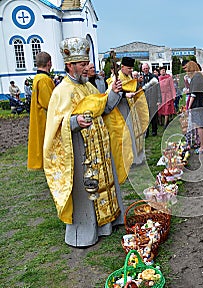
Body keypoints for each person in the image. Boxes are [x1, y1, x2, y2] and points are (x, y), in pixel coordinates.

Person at [43, 37, 126, 248]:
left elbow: (104, 108)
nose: (86, 68)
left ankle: (107, 224)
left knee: (105, 184)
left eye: (86, 64)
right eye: (81, 65)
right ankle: (86, 231)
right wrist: (73, 122)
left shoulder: (88, 87)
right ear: (70, 65)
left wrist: (113, 93)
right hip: (80, 150)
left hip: (100, 147)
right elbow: (54, 125)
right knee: (86, 190)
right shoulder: (61, 91)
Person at [107, 56, 149, 165]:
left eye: (131, 68)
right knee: (127, 134)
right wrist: (125, 95)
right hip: (121, 109)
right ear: (122, 67)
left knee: (134, 133)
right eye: (129, 68)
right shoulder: (116, 77)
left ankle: (136, 157)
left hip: (131, 108)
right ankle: (129, 160)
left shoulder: (129, 77)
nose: (131, 70)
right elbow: (110, 93)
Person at [27, 51, 55, 170]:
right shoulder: (44, 79)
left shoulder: (37, 78)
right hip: (44, 118)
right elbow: (50, 103)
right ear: (49, 63)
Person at [186, 61, 203, 153]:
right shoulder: (200, 77)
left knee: (199, 126)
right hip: (202, 103)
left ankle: (202, 146)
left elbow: (193, 94)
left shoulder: (196, 78)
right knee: (202, 125)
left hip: (197, 105)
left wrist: (189, 107)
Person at [140, 63, 161, 136]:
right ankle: (146, 132)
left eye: (146, 68)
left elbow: (158, 89)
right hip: (144, 100)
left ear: (149, 68)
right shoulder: (140, 78)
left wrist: (159, 100)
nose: (145, 70)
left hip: (153, 99)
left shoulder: (154, 77)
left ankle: (154, 131)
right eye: (144, 68)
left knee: (153, 116)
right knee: (145, 117)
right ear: (142, 69)